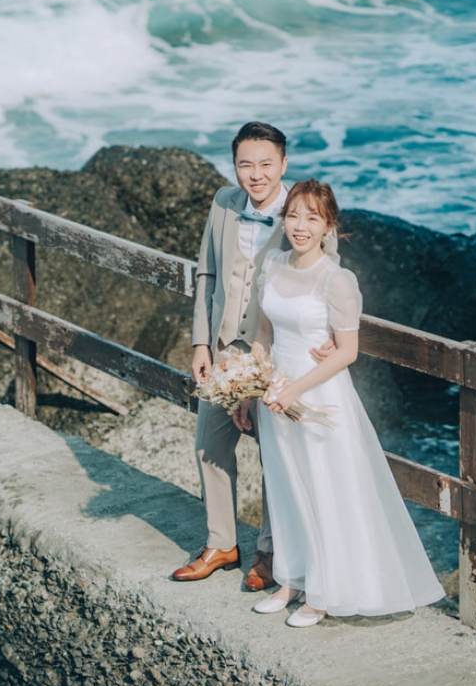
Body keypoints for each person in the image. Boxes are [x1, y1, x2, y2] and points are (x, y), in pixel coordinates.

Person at [234, 179, 445, 627]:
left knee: (325, 489)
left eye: (312, 217)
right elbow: (263, 334)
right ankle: (291, 580)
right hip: (276, 392)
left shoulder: (337, 279)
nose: (300, 225)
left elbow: (348, 352)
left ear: (329, 224)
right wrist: (252, 383)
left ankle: (324, 594)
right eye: (293, 215)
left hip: (320, 397)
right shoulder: (271, 264)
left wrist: (294, 389)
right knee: (286, 488)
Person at [172, 122, 335, 589]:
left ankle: (269, 552)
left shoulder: (303, 212)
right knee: (210, 446)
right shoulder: (223, 203)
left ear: (284, 164)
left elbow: (331, 272)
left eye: (266, 164)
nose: (256, 174)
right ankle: (221, 543)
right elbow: (206, 274)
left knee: (276, 458)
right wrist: (201, 343)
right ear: (235, 166)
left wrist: (329, 338)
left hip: (278, 357)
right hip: (224, 352)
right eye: (246, 164)